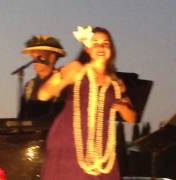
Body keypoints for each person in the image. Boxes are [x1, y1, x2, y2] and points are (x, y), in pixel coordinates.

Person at [39, 26, 136, 179]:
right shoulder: (77, 69)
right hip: (69, 140)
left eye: (106, 43)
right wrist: (57, 78)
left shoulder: (116, 83)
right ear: (87, 49)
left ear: (111, 49)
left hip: (103, 148)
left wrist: (123, 108)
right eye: (95, 42)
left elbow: (132, 118)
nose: (101, 46)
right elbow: (43, 95)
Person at [18, 35, 66, 125]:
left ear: (52, 57)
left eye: (39, 57)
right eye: (33, 57)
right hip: (30, 136)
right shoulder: (29, 85)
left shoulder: (62, 80)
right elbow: (22, 115)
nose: (35, 61)